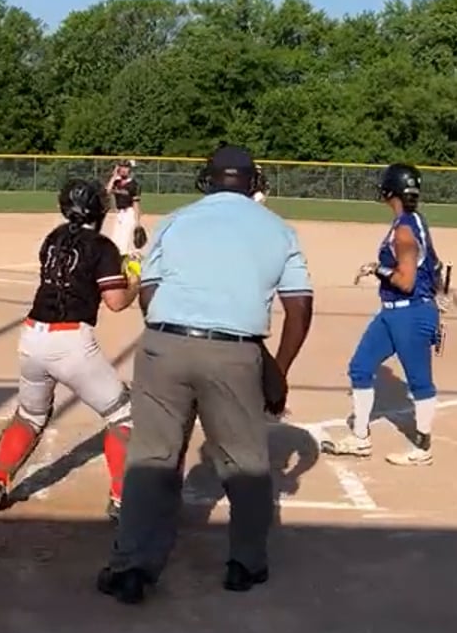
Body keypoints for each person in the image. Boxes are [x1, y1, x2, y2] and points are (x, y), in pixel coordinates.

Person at [97, 144, 314, 605]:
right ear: (254, 183)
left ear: (206, 180)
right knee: (244, 461)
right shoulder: (279, 229)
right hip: (235, 353)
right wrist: (278, 369)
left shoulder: (177, 220)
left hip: (163, 345)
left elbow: (148, 294)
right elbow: (299, 308)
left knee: (151, 459)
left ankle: (132, 568)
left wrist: (173, 333)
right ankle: (244, 564)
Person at [0, 180, 141, 520]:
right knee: (124, 416)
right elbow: (115, 302)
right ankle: (123, 499)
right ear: (100, 210)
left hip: (32, 336)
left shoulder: (53, 239)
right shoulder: (102, 247)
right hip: (71, 343)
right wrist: (134, 282)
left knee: (30, 415)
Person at [318, 163, 447, 466]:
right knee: (360, 367)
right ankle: (360, 438)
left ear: (391, 191)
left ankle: (422, 448)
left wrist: (378, 269)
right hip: (393, 313)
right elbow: (435, 266)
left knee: (419, 382)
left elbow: (406, 281)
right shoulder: (414, 220)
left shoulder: (404, 230)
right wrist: (439, 293)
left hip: (410, 313)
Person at [107, 159, 143, 257]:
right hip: (119, 214)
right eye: (121, 167)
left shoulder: (134, 185)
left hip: (129, 213)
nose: (123, 170)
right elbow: (108, 191)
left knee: (124, 240)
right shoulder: (116, 182)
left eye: (126, 167)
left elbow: (136, 203)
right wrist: (114, 176)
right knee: (115, 239)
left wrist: (137, 222)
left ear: (130, 170)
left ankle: (125, 259)